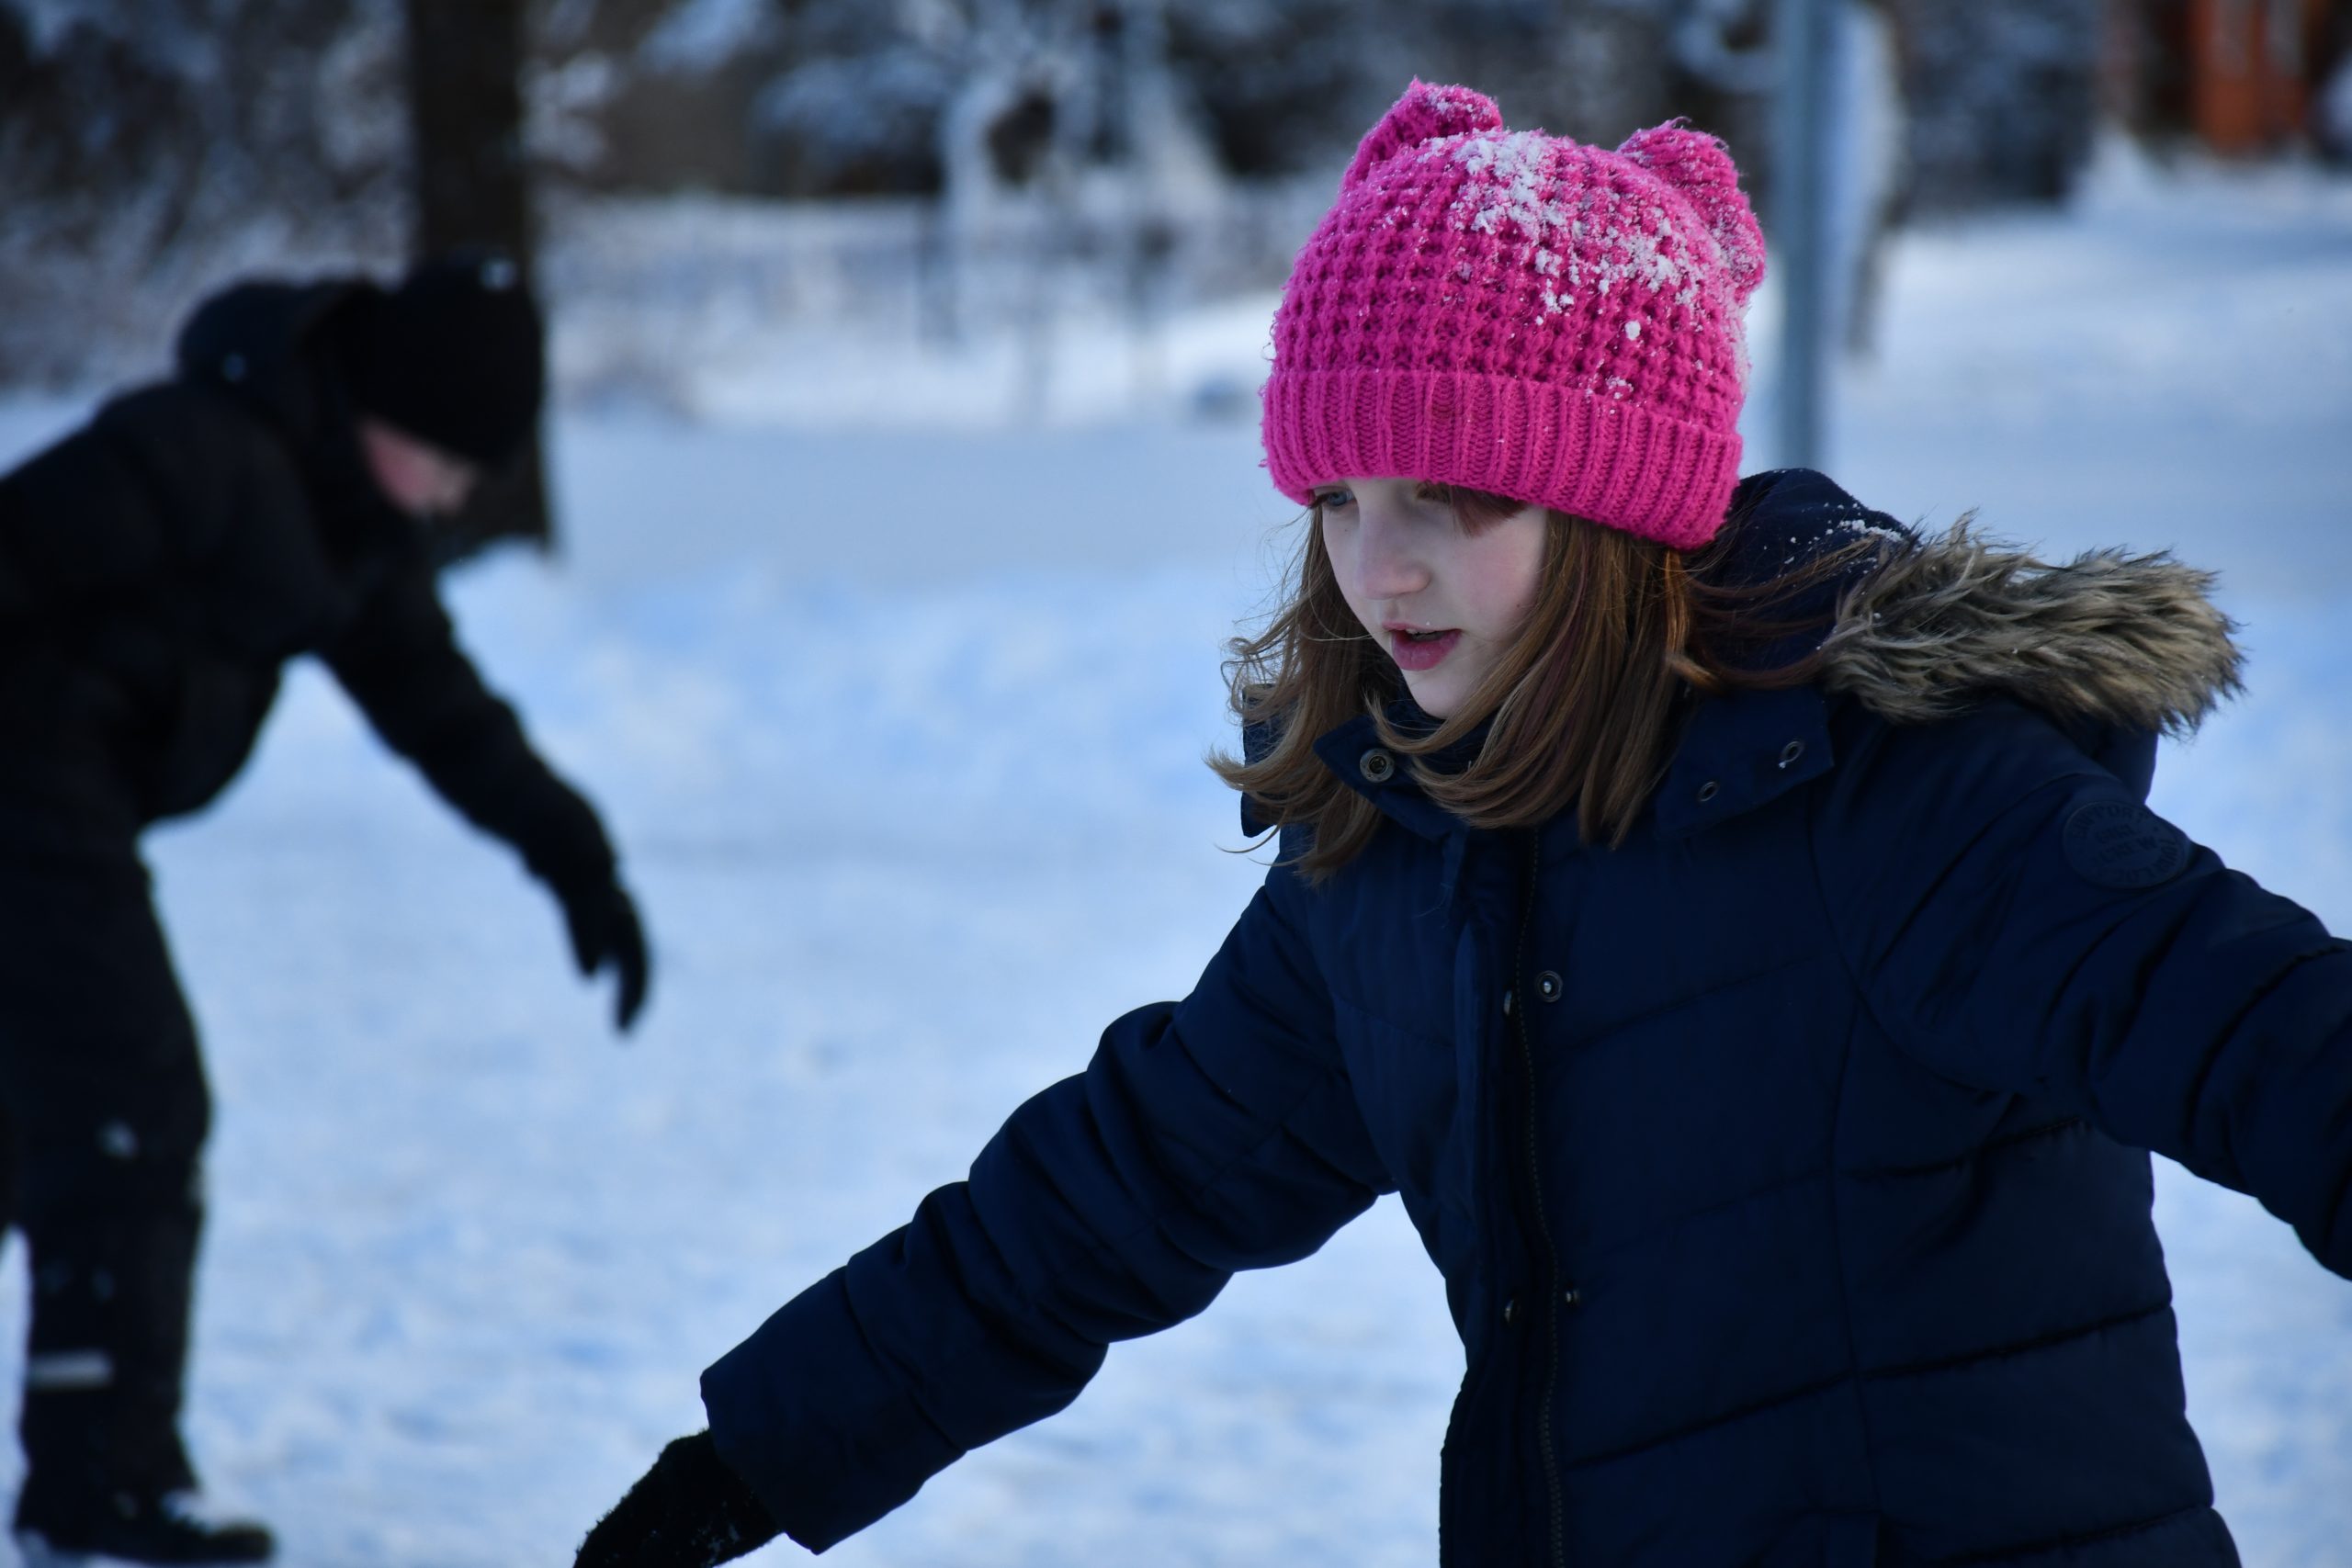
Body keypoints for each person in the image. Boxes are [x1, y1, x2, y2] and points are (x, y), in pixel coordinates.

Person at [578, 81, 2349, 1568]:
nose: (1383, 568)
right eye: (1339, 497)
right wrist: (756, 1461)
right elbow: (1123, 1187)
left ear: (1619, 509)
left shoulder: (1896, 793)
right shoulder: (1400, 848)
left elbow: (2282, 1045)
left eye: (1458, 498)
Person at [0, 252, 651, 1563]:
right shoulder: (196, 452)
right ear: (390, 405)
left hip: (65, 812)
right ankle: (99, 1478)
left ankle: (91, 1461)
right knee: (131, 1102)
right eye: (448, 461)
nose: (454, 494)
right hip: (24, 792)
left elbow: (443, 714)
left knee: (46, 1117)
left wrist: (578, 861)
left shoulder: (343, 523)